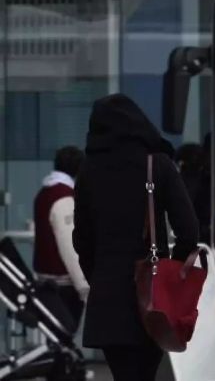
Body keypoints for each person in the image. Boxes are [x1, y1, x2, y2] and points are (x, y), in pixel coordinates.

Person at [73, 94, 199, 381]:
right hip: (153, 296)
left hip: (107, 297)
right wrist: (173, 276)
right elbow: (189, 231)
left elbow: (82, 238)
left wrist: (99, 276)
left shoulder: (88, 170)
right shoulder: (158, 165)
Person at [33, 146, 89, 327]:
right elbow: (70, 246)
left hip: (44, 281)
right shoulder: (64, 198)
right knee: (66, 332)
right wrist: (83, 286)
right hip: (64, 285)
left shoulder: (43, 193)